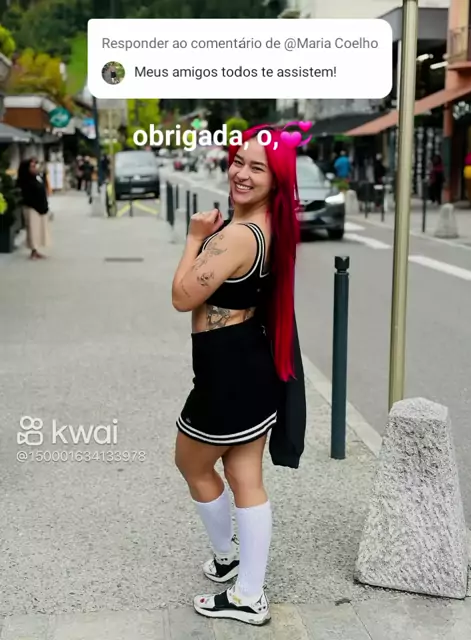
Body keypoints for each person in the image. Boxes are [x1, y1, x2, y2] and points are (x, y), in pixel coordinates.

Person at [171, 125, 305, 626]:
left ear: (276, 180)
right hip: (251, 363)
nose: (241, 174)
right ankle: (245, 587)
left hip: (227, 373)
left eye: (257, 167)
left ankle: (236, 570)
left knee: (191, 462)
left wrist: (194, 239)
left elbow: (182, 295)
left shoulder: (236, 236)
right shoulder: (269, 225)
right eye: (238, 161)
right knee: (245, 474)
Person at [17, 158, 50, 260]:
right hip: (32, 208)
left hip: (40, 208)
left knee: (39, 230)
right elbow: (28, 196)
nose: (35, 168)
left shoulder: (37, 177)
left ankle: (36, 250)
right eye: (32, 167)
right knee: (33, 230)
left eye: (35, 166)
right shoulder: (25, 180)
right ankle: (33, 251)